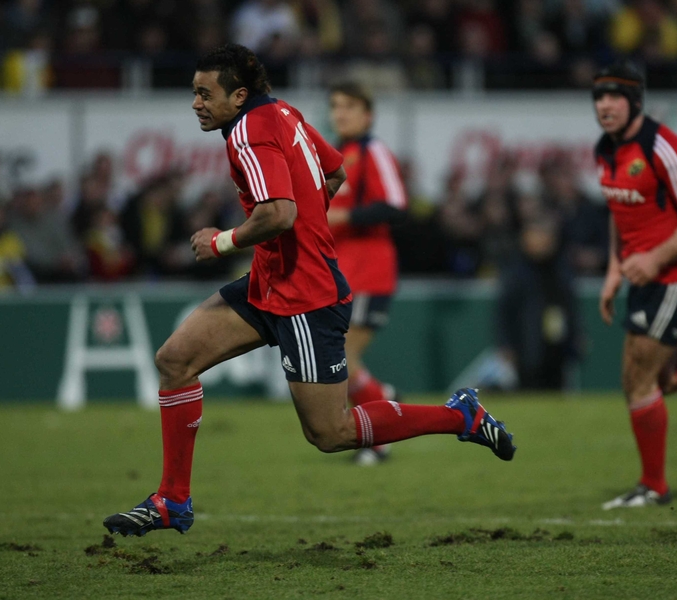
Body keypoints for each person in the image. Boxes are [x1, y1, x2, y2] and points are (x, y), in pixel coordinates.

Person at [103, 44, 516, 537]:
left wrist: (221, 241)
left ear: (239, 96)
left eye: (205, 94)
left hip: (306, 294)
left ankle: (459, 417)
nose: (196, 103)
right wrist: (308, 222)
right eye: (194, 92)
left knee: (330, 432)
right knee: (175, 360)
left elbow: (279, 213)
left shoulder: (250, 132)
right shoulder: (283, 112)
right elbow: (335, 171)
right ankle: (172, 500)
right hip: (269, 282)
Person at [593, 62, 677, 510]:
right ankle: (652, 485)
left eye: (614, 96)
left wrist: (654, 258)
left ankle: (654, 486)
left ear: (635, 101)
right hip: (645, 278)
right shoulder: (605, 149)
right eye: (599, 97)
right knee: (659, 380)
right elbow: (620, 211)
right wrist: (615, 270)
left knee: (637, 377)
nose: (604, 105)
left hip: (676, 277)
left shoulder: (663, 148)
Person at [326, 82, 406, 465]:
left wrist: (342, 215)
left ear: (368, 115)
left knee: (342, 355)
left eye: (350, 106)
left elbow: (395, 204)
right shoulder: (334, 156)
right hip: (338, 272)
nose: (340, 113)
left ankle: (380, 437)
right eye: (336, 106)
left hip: (369, 271)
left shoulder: (374, 151)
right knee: (337, 358)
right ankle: (382, 400)